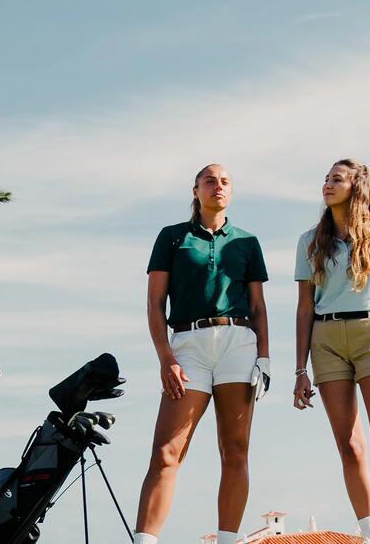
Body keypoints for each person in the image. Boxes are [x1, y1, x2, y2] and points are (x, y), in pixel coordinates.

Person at [134, 164, 272, 544]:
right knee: (166, 453)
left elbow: (259, 307)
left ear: (232, 191)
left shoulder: (247, 242)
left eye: (225, 181)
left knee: (235, 450)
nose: (218, 186)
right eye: (210, 181)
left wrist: (264, 357)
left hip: (238, 345)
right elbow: (154, 304)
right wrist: (166, 357)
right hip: (187, 347)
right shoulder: (172, 238)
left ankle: (227, 540)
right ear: (195, 190)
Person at [291, 159, 370, 544]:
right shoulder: (310, 240)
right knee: (349, 444)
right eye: (326, 179)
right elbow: (303, 307)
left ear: (356, 186)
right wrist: (300, 369)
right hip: (326, 340)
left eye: (337, 179)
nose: (328, 185)